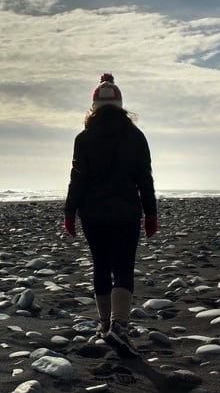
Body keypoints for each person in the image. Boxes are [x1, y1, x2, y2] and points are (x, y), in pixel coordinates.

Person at [63, 73, 158, 358]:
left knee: (101, 266)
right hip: (127, 213)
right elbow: (145, 178)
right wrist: (151, 213)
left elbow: (77, 178)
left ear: (93, 107)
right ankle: (120, 325)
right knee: (124, 267)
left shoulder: (84, 138)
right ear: (121, 106)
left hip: (93, 213)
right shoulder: (136, 136)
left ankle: (105, 325)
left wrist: (70, 212)